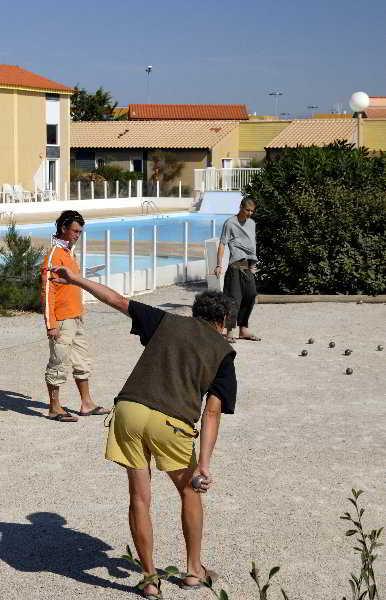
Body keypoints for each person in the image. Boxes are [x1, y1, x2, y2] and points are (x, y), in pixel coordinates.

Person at [49, 264, 237, 599]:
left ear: (195, 313)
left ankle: (150, 580)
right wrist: (204, 465)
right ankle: (194, 571)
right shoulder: (224, 352)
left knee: (139, 497)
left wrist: (75, 279)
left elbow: (118, 301)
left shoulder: (166, 321)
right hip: (172, 423)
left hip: (129, 412)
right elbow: (212, 412)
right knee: (189, 492)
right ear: (223, 321)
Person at [40, 210, 109, 422]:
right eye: (75, 231)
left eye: (80, 231)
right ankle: (54, 408)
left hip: (77, 317)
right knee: (58, 362)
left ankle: (86, 403)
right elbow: (47, 291)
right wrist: (51, 324)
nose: (78, 235)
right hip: (61, 320)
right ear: (63, 228)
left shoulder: (69, 252)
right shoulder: (54, 254)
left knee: (82, 361)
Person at [215, 197, 259, 343]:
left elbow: (252, 244)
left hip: (248, 266)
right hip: (235, 266)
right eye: (247, 210)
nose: (250, 213)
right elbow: (222, 244)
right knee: (234, 300)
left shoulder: (252, 224)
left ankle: (243, 329)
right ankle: (229, 331)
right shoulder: (230, 223)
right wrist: (218, 264)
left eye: (252, 211)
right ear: (240, 207)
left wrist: (253, 265)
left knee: (251, 295)